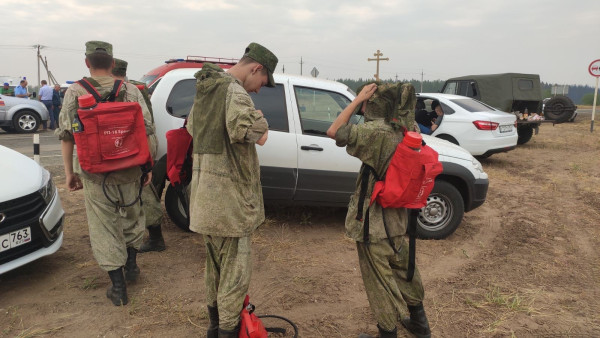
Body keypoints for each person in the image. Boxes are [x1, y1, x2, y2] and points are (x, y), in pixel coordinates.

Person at [327, 82, 432, 338]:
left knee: (379, 282)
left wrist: (355, 101)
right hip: (397, 219)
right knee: (404, 269)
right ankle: (420, 323)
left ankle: (387, 333)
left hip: (372, 224)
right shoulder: (410, 130)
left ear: (377, 103)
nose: (365, 104)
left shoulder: (376, 132)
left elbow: (334, 131)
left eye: (368, 100)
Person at [186, 42, 276, 337]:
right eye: (262, 81)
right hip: (229, 206)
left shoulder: (208, 89)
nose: (259, 89)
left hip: (204, 200)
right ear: (256, 68)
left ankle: (214, 327)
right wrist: (260, 118)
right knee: (235, 275)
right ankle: (226, 331)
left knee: (215, 269)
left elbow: (189, 128)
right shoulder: (235, 91)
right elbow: (251, 132)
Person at [56, 40, 155, 306]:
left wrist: (69, 173)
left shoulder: (75, 92)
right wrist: (147, 167)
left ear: (87, 62)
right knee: (133, 215)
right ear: (112, 63)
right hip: (130, 168)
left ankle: (118, 287)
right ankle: (132, 266)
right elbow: (146, 130)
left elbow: (66, 136)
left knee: (104, 225)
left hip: (95, 173)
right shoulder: (130, 90)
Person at [111, 58, 165, 252]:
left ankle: (155, 238)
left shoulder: (125, 90)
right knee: (141, 188)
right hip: (145, 141)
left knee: (142, 190)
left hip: (137, 142)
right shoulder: (137, 86)